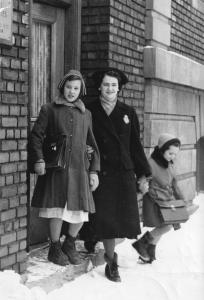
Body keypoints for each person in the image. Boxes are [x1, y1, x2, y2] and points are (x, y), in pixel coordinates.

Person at [80, 67, 151, 282]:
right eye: (106, 84)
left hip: (123, 172)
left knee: (119, 219)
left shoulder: (128, 112)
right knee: (106, 218)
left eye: (114, 85)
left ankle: (95, 238)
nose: (110, 88)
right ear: (99, 87)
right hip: (99, 172)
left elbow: (135, 145)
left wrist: (143, 174)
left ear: (119, 88)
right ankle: (111, 261)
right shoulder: (89, 110)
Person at [28, 70, 100, 266]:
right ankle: (54, 247)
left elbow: (92, 143)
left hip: (79, 170)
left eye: (76, 88)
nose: (71, 91)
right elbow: (36, 137)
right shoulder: (49, 109)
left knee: (80, 212)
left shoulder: (86, 114)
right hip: (57, 169)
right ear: (62, 87)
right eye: (68, 87)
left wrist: (93, 170)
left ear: (81, 91)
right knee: (57, 210)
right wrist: (39, 159)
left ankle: (69, 243)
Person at [132, 133, 186, 263]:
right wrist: (141, 192)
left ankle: (150, 250)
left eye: (175, 154)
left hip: (167, 200)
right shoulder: (151, 164)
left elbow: (174, 183)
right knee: (166, 226)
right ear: (162, 150)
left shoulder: (169, 163)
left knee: (164, 225)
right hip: (155, 201)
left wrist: (182, 199)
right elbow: (143, 182)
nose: (172, 157)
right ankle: (141, 244)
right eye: (170, 153)